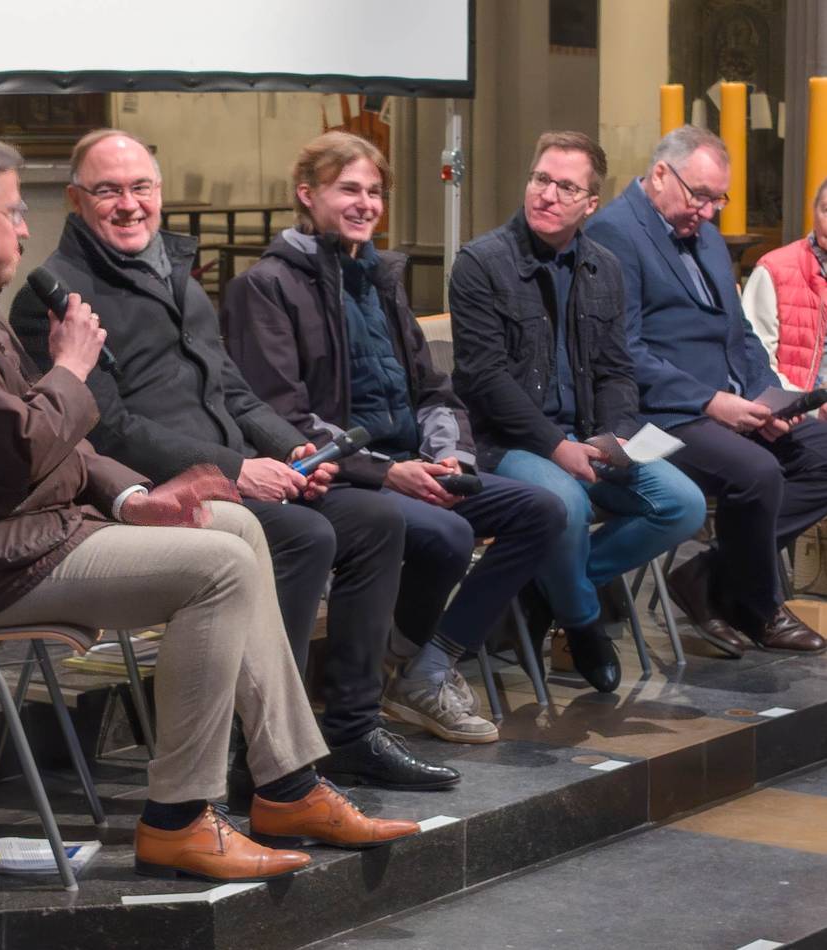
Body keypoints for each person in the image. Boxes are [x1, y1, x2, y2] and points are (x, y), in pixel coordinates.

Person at [0, 129, 419, 884]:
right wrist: (71, 367)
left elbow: (63, 442)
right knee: (220, 566)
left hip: (17, 532)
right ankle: (179, 817)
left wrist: (134, 496)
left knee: (231, 526)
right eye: (13, 209)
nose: (26, 227)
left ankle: (287, 786)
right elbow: (19, 446)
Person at [10, 130, 457, 788]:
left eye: (142, 189)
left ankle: (352, 729)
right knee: (306, 537)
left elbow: (232, 390)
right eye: (108, 191)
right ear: (77, 200)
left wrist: (290, 446)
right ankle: (264, 754)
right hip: (145, 495)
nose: (129, 205)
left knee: (373, 523)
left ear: (160, 195)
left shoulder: (174, 275)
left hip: (229, 472)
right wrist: (238, 468)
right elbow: (107, 433)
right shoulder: (56, 301)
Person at [223, 131, 566, 736]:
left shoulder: (379, 279)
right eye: (348, 189)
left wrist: (449, 457)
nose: (365, 204)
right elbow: (284, 415)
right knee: (447, 533)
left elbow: (434, 389)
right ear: (307, 194)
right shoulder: (267, 287)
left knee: (541, 509)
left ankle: (426, 661)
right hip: (336, 475)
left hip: (411, 464)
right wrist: (388, 473)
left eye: (375, 192)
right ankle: (398, 676)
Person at [448, 131, 706, 693]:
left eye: (566, 187)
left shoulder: (603, 268)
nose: (547, 194)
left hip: (589, 436)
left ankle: (547, 586)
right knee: (562, 504)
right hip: (507, 443)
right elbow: (484, 379)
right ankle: (584, 620)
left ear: (590, 204)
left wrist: (613, 436)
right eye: (541, 179)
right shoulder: (480, 263)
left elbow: (616, 370)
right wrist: (555, 446)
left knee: (683, 504)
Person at [586, 125, 827, 656]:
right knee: (756, 471)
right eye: (702, 196)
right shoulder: (613, 233)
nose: (711, 211)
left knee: (820, 453)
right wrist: (713, 402)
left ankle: (709, 576)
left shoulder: (709, 237)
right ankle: (759, 608)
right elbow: (624, 352)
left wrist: (768, 397)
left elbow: (738, 333)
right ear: (661, 175)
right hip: (661, 416)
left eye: (719, 199)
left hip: (729, 406)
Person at [741, 176, 827, 400]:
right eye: (826, 209)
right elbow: (756, 363)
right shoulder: (774, 270)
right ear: (813, 211)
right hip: (795, 407)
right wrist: (809, 403)